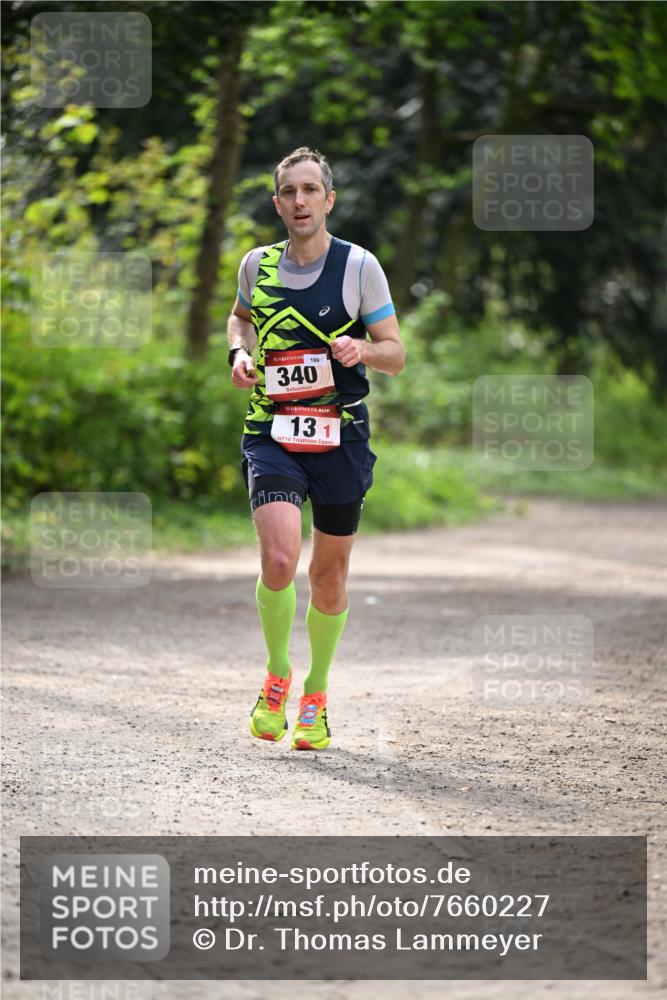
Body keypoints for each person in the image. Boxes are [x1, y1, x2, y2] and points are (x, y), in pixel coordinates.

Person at [227, 146, 404, 750]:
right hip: (273, 428)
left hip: (340, 435)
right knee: (279, 561)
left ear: (328, 200)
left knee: (328, 576)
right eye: (288, 192)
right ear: (277, 203)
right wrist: (239, 352)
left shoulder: (359, 268)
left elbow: (396, 353)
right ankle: (278, 673)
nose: (299, 201)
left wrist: (363, 350)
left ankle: (317, 693)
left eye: (310, 191)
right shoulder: (257, 264)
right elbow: (239, 318)